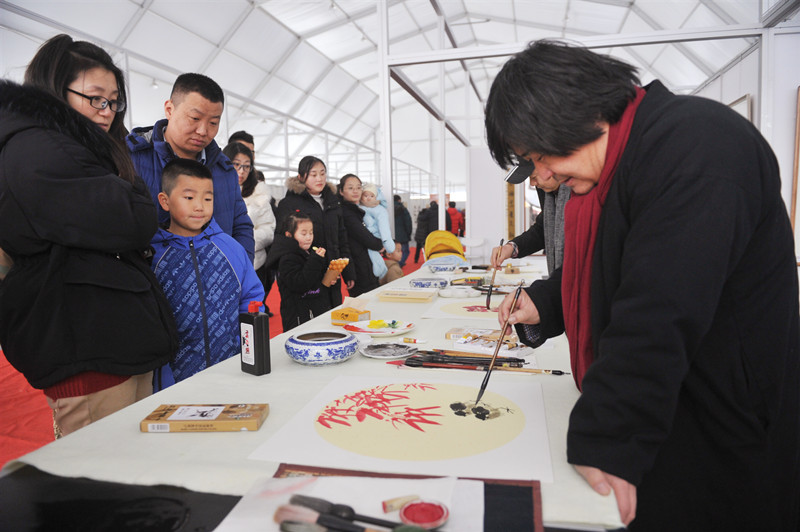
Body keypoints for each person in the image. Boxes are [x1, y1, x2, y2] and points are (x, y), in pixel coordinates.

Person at [486, 40, 800, 531]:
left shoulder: (697, 146)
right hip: (667, 407)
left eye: (542, 155)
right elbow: (617, 268)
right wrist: (544, 301)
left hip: (721, 422)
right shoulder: (623, 162)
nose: (544, 175)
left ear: (579, 113)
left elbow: (660, 306)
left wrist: (607, 431)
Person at [0, 34, 178, 437]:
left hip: (106, 341)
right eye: (96, 98)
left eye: (114, 102)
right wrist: (135, 195)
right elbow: (134, 218)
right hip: (86, 347)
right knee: (105, 466)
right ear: (53, 90)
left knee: (131, 461)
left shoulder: (68, 150)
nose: (107, 112)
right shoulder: (38, 149)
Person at [151, 159, 263, 389]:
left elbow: (251, 300)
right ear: (165, 201)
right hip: (173, 383)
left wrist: (247, 352)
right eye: (189, 198)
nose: (199, 207)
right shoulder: (153, 255)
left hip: (232, 373)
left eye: (208, 199)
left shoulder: (230, 248)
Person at [126, 73, 254, 262]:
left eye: (213, 123)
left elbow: (241, 226)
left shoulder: (224, 170)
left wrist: (240, 270)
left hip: (216, 277)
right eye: (194, 118)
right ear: (169, 109)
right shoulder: (131, 160)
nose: (203, 131)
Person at [272, 156, 353, 307]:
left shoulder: (333, 202)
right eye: (313, 174)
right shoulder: (289, 204)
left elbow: (341, 237)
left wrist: (348, 271)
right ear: (301, 177)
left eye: (322, 173)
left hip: (332, 272)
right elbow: (284, 242)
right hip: (306, 273)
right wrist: (310, 267)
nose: (319, 179)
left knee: (333, 312)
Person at [223, 142, 276, 315]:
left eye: (246, 166)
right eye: (236, 164)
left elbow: (269, 229)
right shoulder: (215, 190)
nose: (241, 171)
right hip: (223, 262)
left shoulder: (259, 194)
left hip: (254, 262)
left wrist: (245, 241)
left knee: (252, 314)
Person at [265, 212, 341, 330]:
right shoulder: (287, 258)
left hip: (315, 310)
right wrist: (315, 260)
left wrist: (328, 278)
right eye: (304, 233)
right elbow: (300, 283)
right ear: (289, 235)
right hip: (299, 316)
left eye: (311, 233)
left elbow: (314, 277)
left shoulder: (309, 251)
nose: (309, 237)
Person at [490, 165, 570, 275]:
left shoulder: (579, 196)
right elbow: (542, 230)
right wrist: (511, 248)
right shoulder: (549, 195)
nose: (532, 183)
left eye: (534, 177)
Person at [338, 175, 383, 297]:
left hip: (362, 263)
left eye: (358, 187)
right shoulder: (347, 213)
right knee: (367, 301)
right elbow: (367, 239)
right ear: (341, 191)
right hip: (358, 267)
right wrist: (380, 244)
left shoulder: (354, 210)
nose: (355, 191)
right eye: (350, 188)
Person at [360, 182, 402, 283]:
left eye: (371, 196)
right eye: (365, 195)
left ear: (376, 197)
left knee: (373, 254)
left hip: (374, 236)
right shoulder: (358, 207)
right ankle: (379, 270)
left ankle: (380, 270)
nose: (368, 198)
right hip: (363, 237)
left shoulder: (379, 209)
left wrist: (387, 241)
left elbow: (384, 227)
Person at [393, 195, 413, 268]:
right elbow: (408, 222)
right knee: (406, 251)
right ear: (399, 200)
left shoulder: (388, 209)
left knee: (393, 251)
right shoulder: (403, 209)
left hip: (391, 234)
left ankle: (394, 264)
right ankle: (400, 263)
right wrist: (409, 233)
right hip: (403, 234)